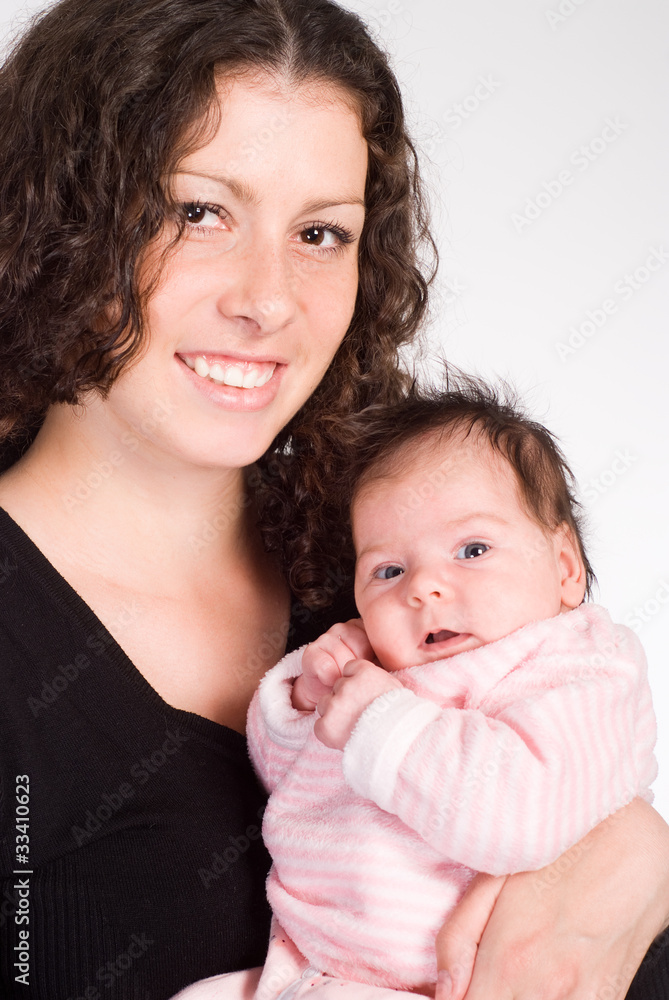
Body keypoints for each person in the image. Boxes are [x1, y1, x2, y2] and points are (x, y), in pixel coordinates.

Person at [0, 1, 666, 998]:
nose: (268, 300)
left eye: (320, 232)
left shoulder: (404, 548)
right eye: (198, 212)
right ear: (59, 219)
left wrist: (635, 853)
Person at [244, 380, 657, 993]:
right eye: (389, 569)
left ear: (566, 568)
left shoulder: (584, 670)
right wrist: (308, 702)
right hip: (310, 966)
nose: (422, 587)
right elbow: (291, 788)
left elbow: (524, 814)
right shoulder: (387, 675)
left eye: (472, 549)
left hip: (452, 977)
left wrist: (379, 720)